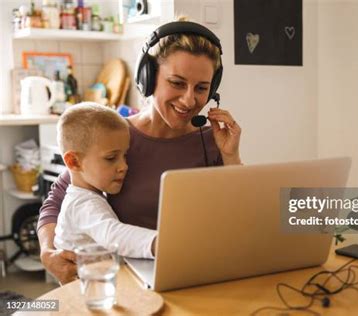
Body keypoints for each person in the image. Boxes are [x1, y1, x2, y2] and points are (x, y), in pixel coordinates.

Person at [37, 17, 242, 284]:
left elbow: (239, 215)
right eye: (177, 83)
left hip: (195, 273)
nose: (190, 99)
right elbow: (59, 199)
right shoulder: (113, 138)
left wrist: (230, 156)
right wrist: (47, 252)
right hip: (125, 281)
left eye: (201, 88)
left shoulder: (211, 140)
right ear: (148, 77)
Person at [54, 102, 156, 260]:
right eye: (111, 158)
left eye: (124, 155)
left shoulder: (88, 196)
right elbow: (113, 234)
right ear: (74, 162)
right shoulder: (81, 205)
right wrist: (161, 243)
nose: (124, 166)